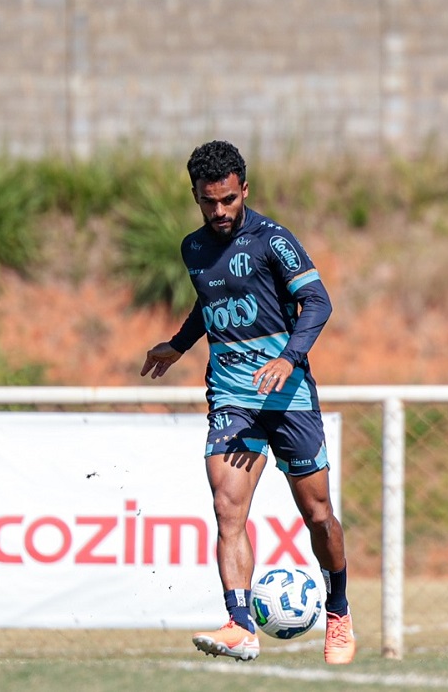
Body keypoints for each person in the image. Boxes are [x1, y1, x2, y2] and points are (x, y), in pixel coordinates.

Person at [141, 140, 356, 665]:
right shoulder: (193, 248)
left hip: (288, 398)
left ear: (244, 189)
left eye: (228, 200)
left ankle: (339, 608)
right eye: (208, 202)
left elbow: (318, 302)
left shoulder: (273, 240)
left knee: (319, 515)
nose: (218, 212)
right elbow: (208, 303)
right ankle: (240, 624)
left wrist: (289, 357)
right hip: (231, 398)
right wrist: (178, 344)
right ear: (195, 195)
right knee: (227, 507)